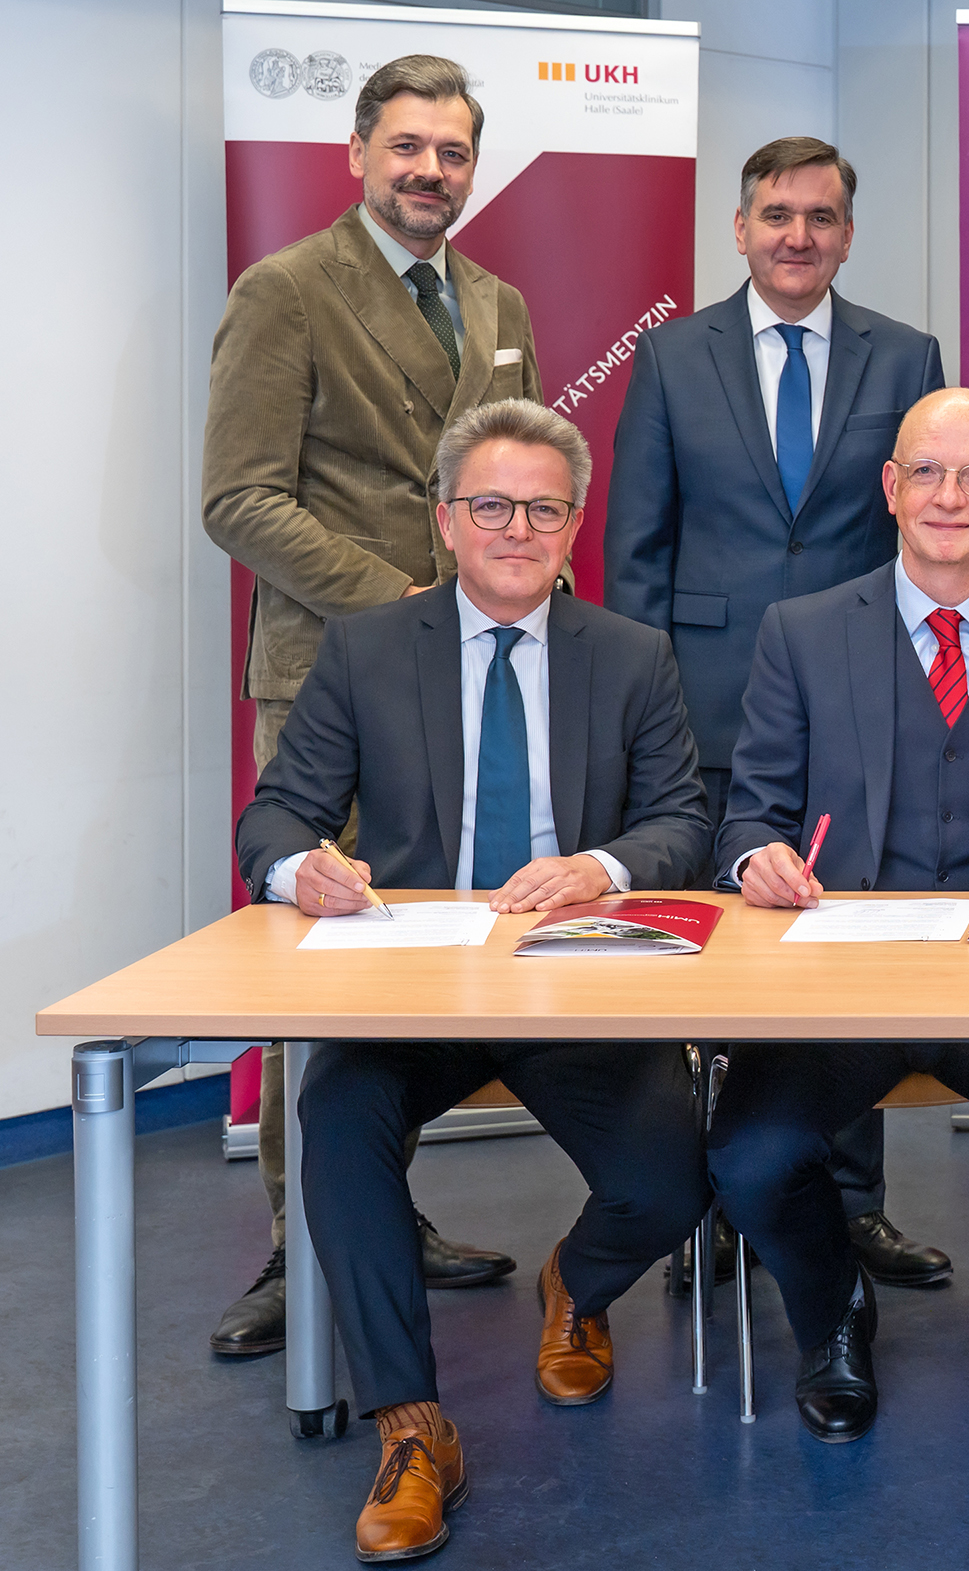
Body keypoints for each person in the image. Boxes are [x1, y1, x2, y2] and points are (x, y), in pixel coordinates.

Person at [237, 401, 713, 1560]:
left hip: (572, 981)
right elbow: (277, 813)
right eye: (491, 505)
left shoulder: (632, 654)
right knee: (335, 1120)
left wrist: (599, 867)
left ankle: (574, 1282)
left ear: (574, 524)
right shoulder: (365, 648)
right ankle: (411, 1428)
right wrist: (304, 869)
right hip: (415, 983)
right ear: (445, 519)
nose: (517, 529)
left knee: (672, 1180)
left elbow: (682, 819)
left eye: (543, 508)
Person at [705, 389, 969, 1444]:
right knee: (748, 1155)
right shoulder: (801, 633)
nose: (950, 495)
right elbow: (747, 813)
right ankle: (831, 1311)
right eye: (928, 472)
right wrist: (757, 857)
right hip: (841, 993)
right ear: (892, 488)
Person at [201, 52, 528, 1359]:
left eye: (451, 151)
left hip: (470, 671)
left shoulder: (497, 300)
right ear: (356, 154)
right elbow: (239, 497)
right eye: (407, 146)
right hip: (333, 671)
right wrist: (399, 599)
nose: (429, 170)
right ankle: (301, 1242)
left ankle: (383, 1206)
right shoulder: (284, 290)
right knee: (319, 952)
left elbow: (509, 478)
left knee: (421, 943)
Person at [608, 135, 951, 1291]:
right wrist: (644, 709)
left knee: (848, 950)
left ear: (847, 234)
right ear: (740, 228)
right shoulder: (670, 355)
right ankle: (712, 1202)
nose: (797, 236)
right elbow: (637, 543)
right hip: (705, 699)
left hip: (860, 703)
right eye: (776, 215)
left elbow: (924, 542)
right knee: (716, 957)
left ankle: (851, 1204)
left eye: (819, 216)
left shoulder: (907, 357)